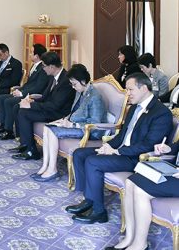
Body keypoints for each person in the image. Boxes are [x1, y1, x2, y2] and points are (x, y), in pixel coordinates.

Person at [66, 72, 172, 224]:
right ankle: (88, 199)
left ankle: (99, 212)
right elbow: (122, 135)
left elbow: (148, 144)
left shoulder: (161, 113)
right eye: (127, 90)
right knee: (79, 154)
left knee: (92, 162)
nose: (127, 93)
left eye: (130, 89)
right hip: (121, 151)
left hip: (135, 158)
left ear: (144, 88)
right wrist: (108, 146)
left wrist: (117, 151)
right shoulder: (134, 108)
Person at [31, 63, 106, 181]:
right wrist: (65, 120)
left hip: (89, 131)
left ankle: (52, 170)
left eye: (74, 84)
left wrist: (73, 124)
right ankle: (45, 166)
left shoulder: (95, 97)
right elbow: (74, 111)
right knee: (47, 127)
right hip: (74, 124)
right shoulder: (80, 91)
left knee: (53, 131)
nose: (73, 87)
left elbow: (95, 124)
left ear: (83, 81)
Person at [105, 140, 179, 250]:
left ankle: (140, 245)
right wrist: (167, 148)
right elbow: (177, 146)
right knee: (130, 181)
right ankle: (129, 238)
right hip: (175, 171)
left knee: (141, 191)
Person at [11, 51, 75, 160]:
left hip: (58, 114)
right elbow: (45, 96)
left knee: (24, 113)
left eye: (44, 66)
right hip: (49, 108)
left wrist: (31, 106)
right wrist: (31, 101)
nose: (42, 68)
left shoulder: (65, 80)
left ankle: (31, 151)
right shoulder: (52, 76)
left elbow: (55, 105)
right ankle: (24, 144)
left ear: (51, 67)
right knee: (18, 106)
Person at [0, 43, 49, 139]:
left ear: (36, 56)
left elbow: (38, 87)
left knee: (8, 101)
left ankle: (9, 131)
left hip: (32, 96)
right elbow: (28, 84)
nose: (30, 54)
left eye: (31, 52)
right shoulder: (34, 65)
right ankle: (3, 125)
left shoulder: (43, 68)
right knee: (1, 98)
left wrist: (21, 93)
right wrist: (19, 90)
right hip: (26, 92)